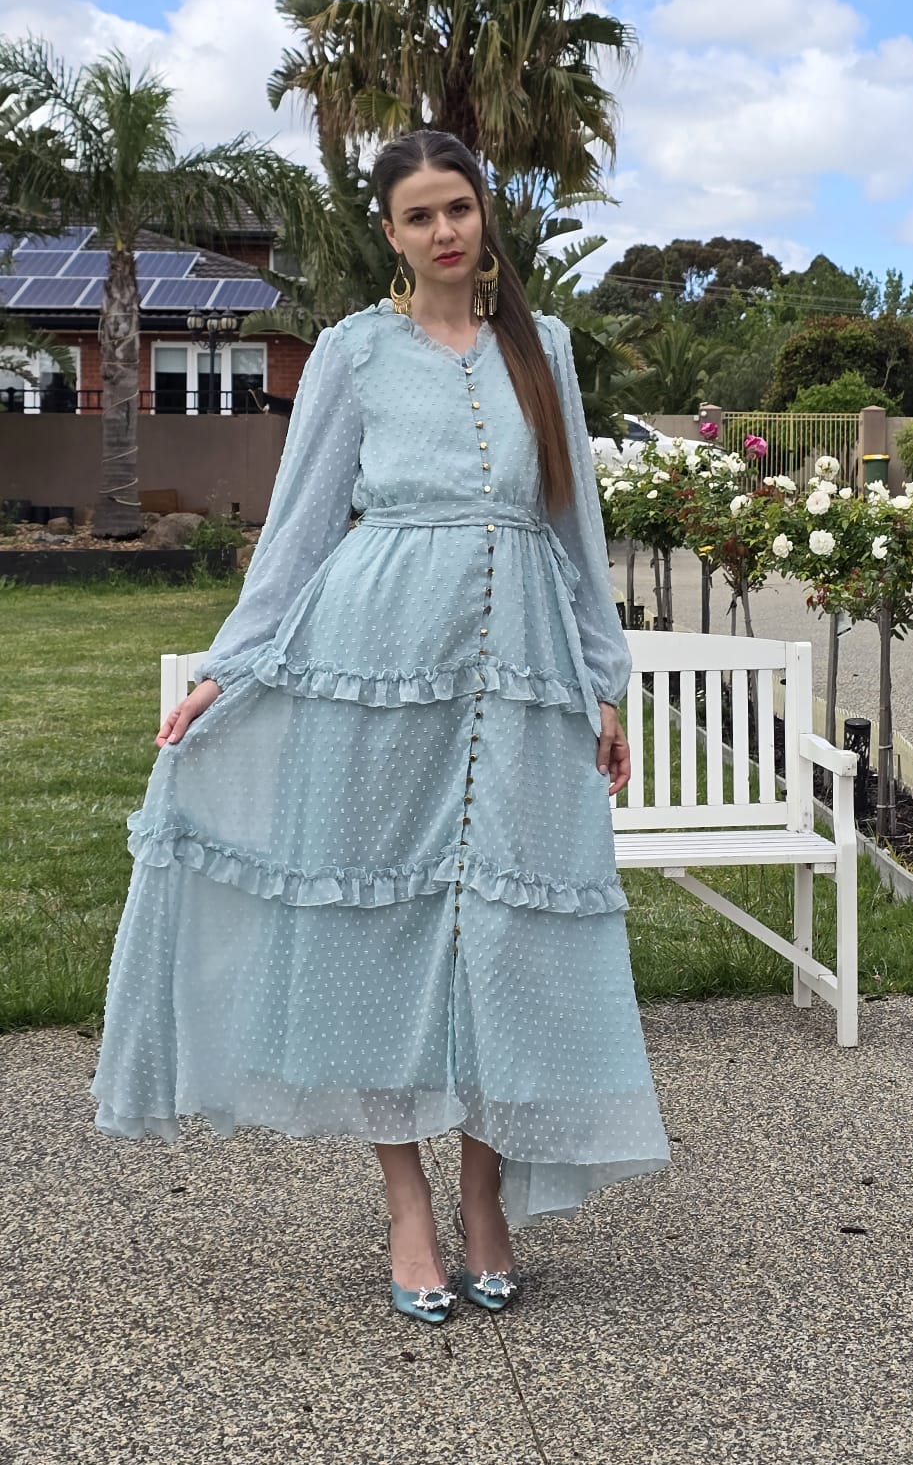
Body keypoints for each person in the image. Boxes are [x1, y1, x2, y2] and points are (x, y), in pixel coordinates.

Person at [90, 128, 670, 1325]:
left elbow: (574, 531)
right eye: (420, 215)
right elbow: (300, 528)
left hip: (523, 677)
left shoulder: (545, 349)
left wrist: (603, 682)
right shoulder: (354, 351)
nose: (445, 230)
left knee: (510, 935)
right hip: (376, 663)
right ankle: (409, 1205)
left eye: (459, 206)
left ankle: (486, 1191)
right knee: (379, 928)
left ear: (483, 213)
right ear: (391, 233)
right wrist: (230, 666)